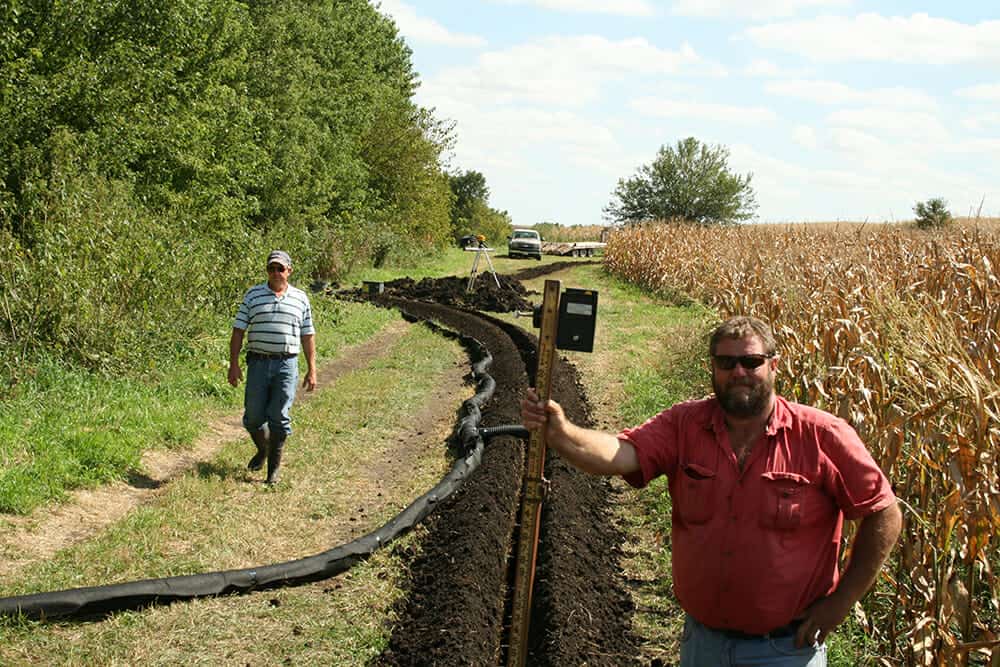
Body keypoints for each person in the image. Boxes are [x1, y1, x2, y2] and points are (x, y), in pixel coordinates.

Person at [521, 315, 901, 666]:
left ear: (773, 365)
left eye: (751, 362)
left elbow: (883, 511)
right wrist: (561, 433)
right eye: (726, 363)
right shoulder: (684, 424)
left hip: (786, 651)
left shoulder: (822, 436)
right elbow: (620, 454)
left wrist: (842, 602)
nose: (739, 372)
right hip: (703, 645)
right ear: (713, 368)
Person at [228, 250, 317, 484]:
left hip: (286, 364)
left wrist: (312, 369)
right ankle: (263, 449)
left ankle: (273, 471)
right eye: (271, 268)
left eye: (280, 268)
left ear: (289, 271)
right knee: (253, 417)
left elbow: (307, 335)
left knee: (279, 416)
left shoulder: (300, 298)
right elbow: (238, 330)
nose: (276, 273)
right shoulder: (253, 295)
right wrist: (234, 364)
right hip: (258, 362)